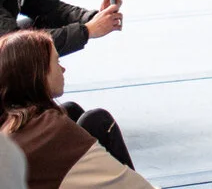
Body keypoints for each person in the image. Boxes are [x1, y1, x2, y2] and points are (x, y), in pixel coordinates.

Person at [0, 30, 152, 188]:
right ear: (38, 73)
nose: (63, 69)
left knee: (71, 110)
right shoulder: (50, 129)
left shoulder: (10, 122)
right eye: (57, 62)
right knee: (99, 120)